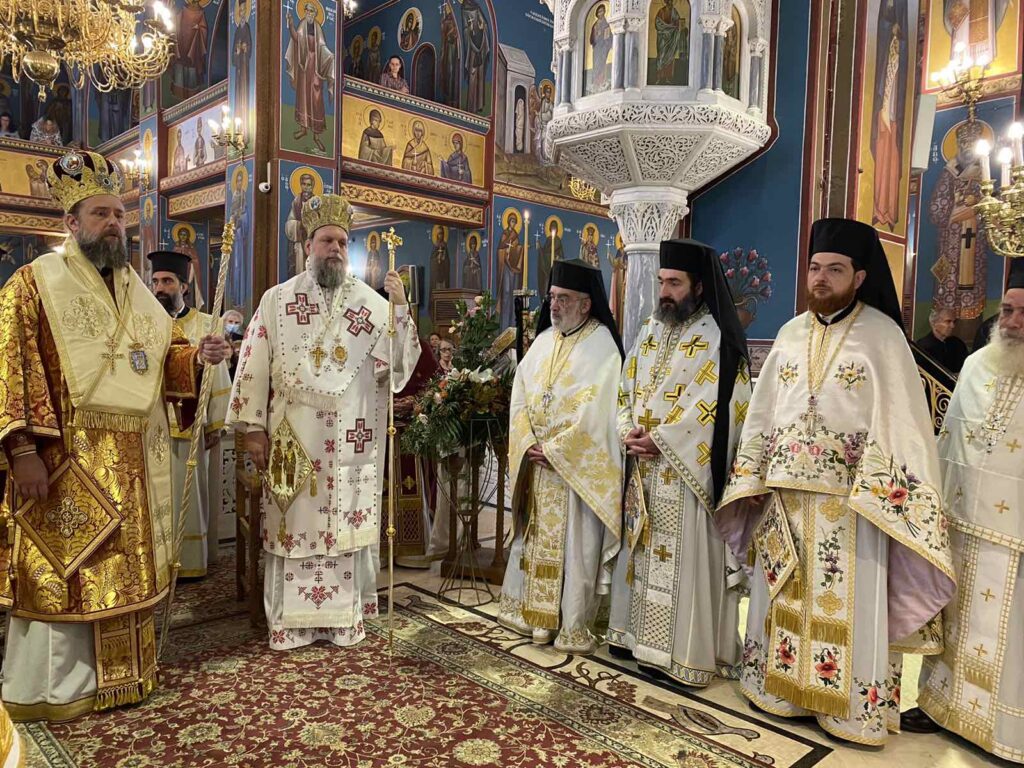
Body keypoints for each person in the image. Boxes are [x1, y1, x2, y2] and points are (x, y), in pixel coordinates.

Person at [0, 150, 228, 722]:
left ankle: (125, 677)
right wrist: (22, 450)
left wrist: (199, 357)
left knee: (123, 568)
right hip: (63, 459)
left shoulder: (138, 293)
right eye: (100, 213)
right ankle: (55, 689)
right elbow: (13, 367)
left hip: (132, 461)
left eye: (120, 215)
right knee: (64, 569)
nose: (113, 224)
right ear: (71, 222)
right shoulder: (33, 283)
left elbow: (166, 358)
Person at [715, 218, 955, 746]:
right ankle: (779, 690)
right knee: (782, 594)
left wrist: (878, 491)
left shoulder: (883, 337)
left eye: (835, 270)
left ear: (860, 276)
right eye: (815, 268)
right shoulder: (789, 334)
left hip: (852, 509)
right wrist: (752, 478)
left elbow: (903, 426)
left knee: (849, 607)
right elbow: (763, 415)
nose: (820, 279)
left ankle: (848, 710)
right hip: (784, 502)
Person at [227, 194, 421, 650]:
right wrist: (253, 428)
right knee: (293, 524)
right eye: (326, 240)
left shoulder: (371, 305)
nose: (334, 248)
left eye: (341, 242)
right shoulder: (278, 300)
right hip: (293, 435)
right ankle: (291, 624)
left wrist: (400, 310)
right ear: (308, 246)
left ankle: (342, 619)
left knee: (343, 527)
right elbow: (253, 363)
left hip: (351, 437)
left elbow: (397, 369)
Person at [609, 239, 751, 687]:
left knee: (683, 566)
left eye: (674, 283)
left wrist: (663, 440)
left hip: (687, 474)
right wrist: (627, 429)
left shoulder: (717, 338)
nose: (664, 292)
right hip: (644, 470)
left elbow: (720, 409)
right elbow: (625, 387)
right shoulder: (651, 329)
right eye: (661, 282)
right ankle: (637, 641)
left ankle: (683, 655)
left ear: (699, 287)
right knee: (642, 556)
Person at [902, 260, 1024, 760]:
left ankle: (1007, 731)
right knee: (953, 622)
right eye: (1009, 310)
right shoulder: (976, 366)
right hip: (962, 523)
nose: (1013, 322)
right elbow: (948, 440)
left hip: (1016, 536)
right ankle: (938, 708)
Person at [497, 259, 624, 654]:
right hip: (538, 467)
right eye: (552, 297)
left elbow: (598, 413)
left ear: (586, 304)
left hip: (573, 476)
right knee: (534, 542)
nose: (553, 305)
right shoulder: (543, 341)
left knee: (575, 551)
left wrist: (555, 450)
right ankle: (531, 617)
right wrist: (526, 442)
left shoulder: (603, 346)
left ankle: (571, 623)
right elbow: (519, 396)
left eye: (563, 299)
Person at [149, 251, 232, 579]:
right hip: (153, 425)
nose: (159, 288)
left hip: (190, 425)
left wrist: (215, 424)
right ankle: (157, 564)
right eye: (155, 281)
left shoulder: (206, 323)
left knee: (190, 497)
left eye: (167, 281)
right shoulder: (147, 323)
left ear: (183, 286)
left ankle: (190, 564)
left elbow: (218, 375)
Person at [285, 2, 335, 153]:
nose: (309, 14)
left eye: (311, 12)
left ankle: (317, 136)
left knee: (316, 99)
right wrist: (291, 24)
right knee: (303, 97)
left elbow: (322, 47)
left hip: (316, 68)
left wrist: (330, 56)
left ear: (315, 14)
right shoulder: (302, 25)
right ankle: (303, 128)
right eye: (307, 11)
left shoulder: (318, 28)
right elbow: (296, 38)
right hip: (304, 67)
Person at [915, 306, 969, 373]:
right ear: (934, 323)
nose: (952, 326)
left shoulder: (958, 344)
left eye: (954, 322)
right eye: (948, 321)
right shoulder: (922, 347)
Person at [222, 308, 245, 380]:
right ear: (224, 321)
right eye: (230, 321)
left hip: (235, 368)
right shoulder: (217, 336)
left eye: (236, 323)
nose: (233, 324)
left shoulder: (243, 339)